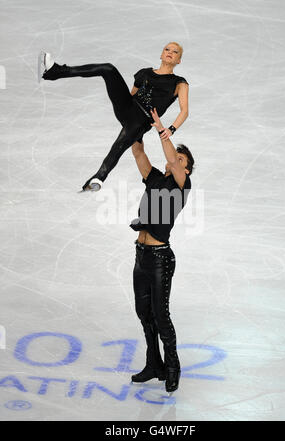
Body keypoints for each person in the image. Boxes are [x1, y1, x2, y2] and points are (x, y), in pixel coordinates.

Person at [38, 42, 189, 192]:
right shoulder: (144, 73)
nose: (170, 52)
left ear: (179, 60)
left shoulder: (179, 83)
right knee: (108, 69)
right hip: (128, 108)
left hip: (142, 119)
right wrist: (125, 114)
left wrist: (172, 129)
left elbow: (184, 111)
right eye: (167, 49)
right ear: (161, 54)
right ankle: (56, 71)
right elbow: (132, 94)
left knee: (120, 144)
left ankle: (99, 177)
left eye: (175, 52)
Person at [130, 108, 194, 394]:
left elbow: (171, 158)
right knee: (144, 313)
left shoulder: (182, 184)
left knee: (161, 314)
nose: (175, 161)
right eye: (175, 158)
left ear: (186, 169)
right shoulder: (155, 178)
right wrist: (133, 126)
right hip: (141, 256)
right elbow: (139, 154)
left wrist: (160, 128)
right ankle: (153, 363)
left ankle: (172, 368)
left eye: (181, 160)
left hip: (160, 260)